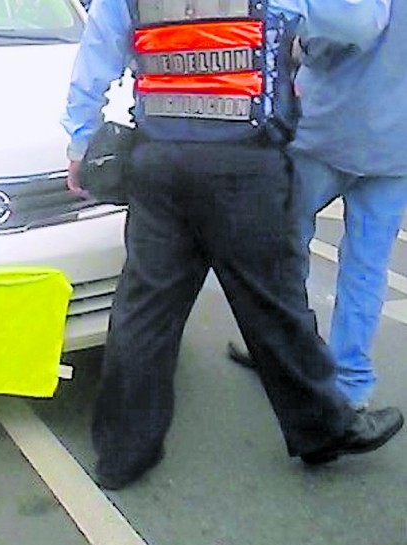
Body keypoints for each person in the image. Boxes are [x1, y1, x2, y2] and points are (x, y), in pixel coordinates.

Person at [61, 0, 404, 490]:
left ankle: (122, 454)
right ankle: (323, 429)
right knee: (275, 305)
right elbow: (357, 23)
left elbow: (97, 56)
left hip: (160, 160)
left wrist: (79, 141)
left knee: (146, 309)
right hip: (244, 163)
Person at [227, 0, 407, 412]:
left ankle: (285, 353)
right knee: (367, 265)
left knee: (286, 248)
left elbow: (351, 25)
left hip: (328, 132)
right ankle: (351, 381)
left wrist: (303, 43)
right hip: (397, 144)